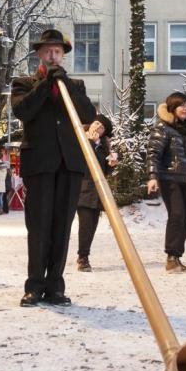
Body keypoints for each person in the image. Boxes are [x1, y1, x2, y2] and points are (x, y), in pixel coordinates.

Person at [10, 29, 96, 307]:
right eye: (48, 50)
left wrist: (66, 86)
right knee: (39, 226)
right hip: (40, 165)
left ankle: (55, 287)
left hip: (69, 165)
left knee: (61, 227)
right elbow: (23, 111)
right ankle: (34, 286)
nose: (53, 55)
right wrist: (45, 85)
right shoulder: (24, 83)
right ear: (39, 54)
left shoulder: (76, 85)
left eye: (57, 51)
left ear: (63, 55)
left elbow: (87, 115)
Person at [147, 92, 186, 273]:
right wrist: (152, 177)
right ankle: (171, 257)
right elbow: (153, 153)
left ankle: (177, 257)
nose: (184, 108)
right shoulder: (163, 127)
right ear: (172, 108)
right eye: (180, 105)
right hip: (170, 177)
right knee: (177, 214)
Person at [76, 114, 116, 272]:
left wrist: (111, 165)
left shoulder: (103, 146)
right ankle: (82, 258)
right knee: (85, 225)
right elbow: (83, 161)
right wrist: (91, 143)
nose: (98, 127)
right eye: (97, 123)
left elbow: (103, 171)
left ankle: (85, 254)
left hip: (98, 191)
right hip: (83, 189)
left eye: (102, 127)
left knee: (92, 225)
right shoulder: (81, 139)